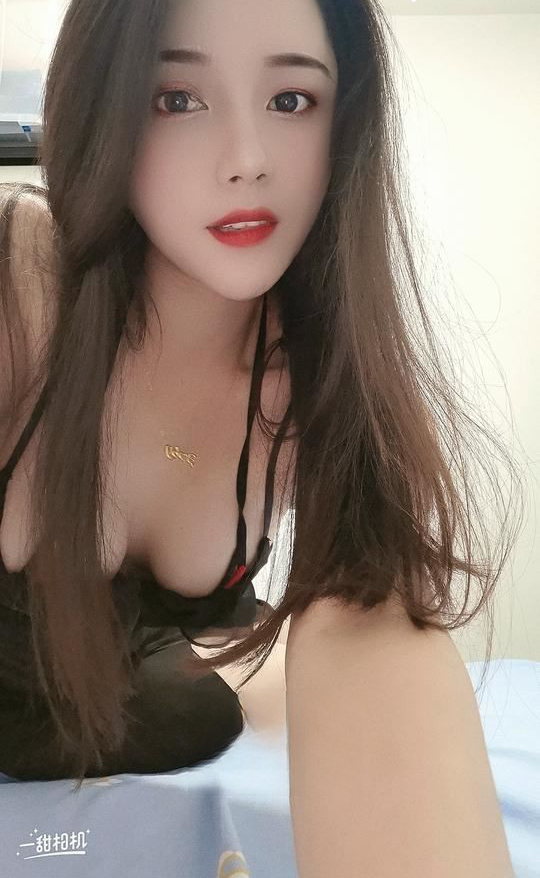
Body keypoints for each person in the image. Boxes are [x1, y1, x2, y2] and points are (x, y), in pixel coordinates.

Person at [0, 0, 522, 874]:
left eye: (290, 101)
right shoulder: (22, 283)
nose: (247, 159)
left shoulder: (314, 374)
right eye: (177, 98)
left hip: (162, 713)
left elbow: (374, 620)